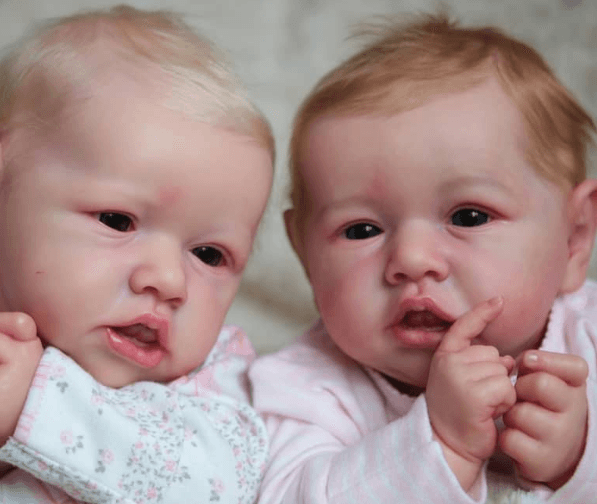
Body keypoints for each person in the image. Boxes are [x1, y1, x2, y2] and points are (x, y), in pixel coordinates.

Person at [249, 12, 597, 504]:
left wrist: (580, 458)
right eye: (361, 229)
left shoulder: (588, 337)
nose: (411, 260)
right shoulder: (306, 386)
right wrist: (438, 443)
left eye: (470, 216)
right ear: (306, 256)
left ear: (575, 238)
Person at [0, 5, 274, 504]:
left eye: (209, 255)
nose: (169, 281)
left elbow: (216, 487)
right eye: (117, 221)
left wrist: (34, 404)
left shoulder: (210, 377)